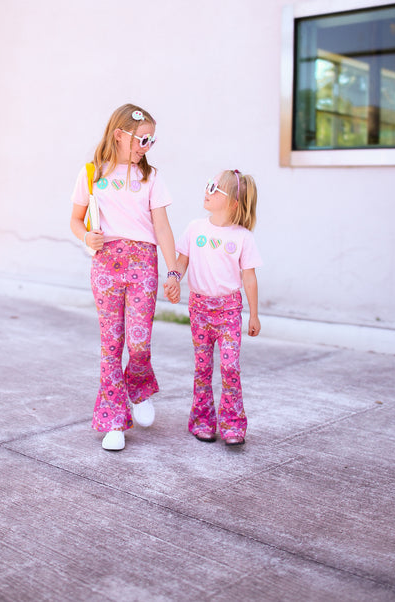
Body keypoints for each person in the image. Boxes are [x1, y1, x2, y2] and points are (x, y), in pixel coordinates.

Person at [70, 104, 181, 451]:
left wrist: (174, 269)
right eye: (142, 139)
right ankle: (114, 421)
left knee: (138, 342)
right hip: (105, 264)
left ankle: (139, 388)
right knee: (110, 346)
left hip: (143, 263)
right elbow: (75, 220)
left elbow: (162, 226)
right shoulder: (92, 173)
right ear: (120, 135)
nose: (147, 146)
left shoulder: (152, 177)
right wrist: (86, 236)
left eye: (151, 140)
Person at [165, 169, 262, 445]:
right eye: (209, 184)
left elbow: (249, 278)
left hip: (229, 310)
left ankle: (233, 425)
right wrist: (174, 278)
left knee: (230, 367)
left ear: (233, 202)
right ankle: (202, 420)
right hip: (200, 309)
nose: (207, 190)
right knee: (203, 367)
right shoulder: (195, 228)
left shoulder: (243, 237)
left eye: (214, 188)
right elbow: (181, 261)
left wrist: (253, 314)